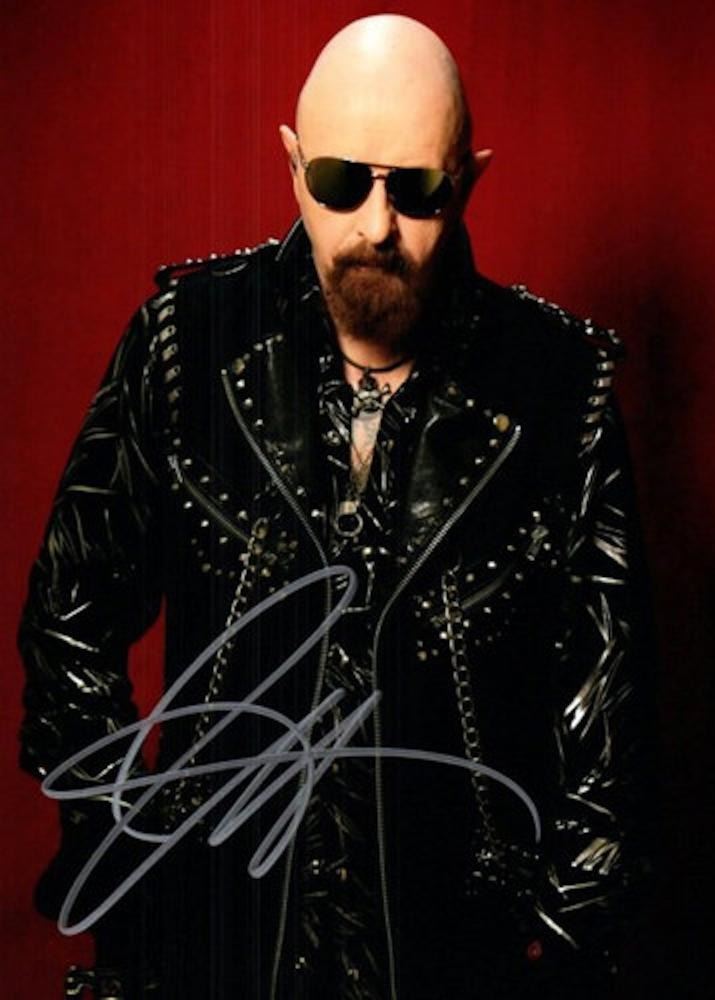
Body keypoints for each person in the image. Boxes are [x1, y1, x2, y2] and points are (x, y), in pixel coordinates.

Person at [18, 14, 654, 1000]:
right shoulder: (187, 344)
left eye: (417, 188)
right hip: (214, 947)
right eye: (339, 181)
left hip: (457, 961)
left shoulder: (560, 390)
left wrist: (554, 949)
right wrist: (131, 858)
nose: (376, 227)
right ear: (291, 165)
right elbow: (70, 615)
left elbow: (609, 724)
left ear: (469, 179)